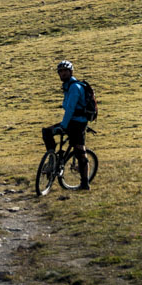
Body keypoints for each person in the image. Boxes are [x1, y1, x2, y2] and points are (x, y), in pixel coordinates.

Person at [41, 58, 92, 191]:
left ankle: (85, 183)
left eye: (65, 71)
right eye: (60, 71)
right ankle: (52, 158)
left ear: (71, 72)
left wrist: (63, 126)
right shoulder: (67, 86)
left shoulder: (75, 87)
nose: (62, 74)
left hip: (78, 123)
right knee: (47, 132)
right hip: (70, 121)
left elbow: (70, 108)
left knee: (80, 151)